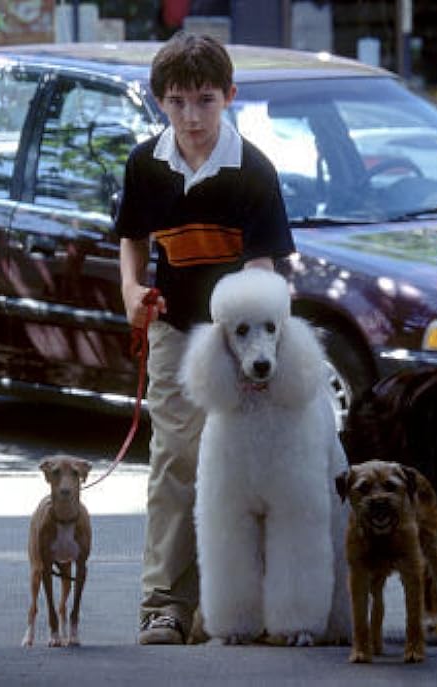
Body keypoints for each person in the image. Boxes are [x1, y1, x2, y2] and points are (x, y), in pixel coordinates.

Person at [115, 32, 295, 645]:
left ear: (230, 98)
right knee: (176, 458)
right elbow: (132, 240)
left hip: (239, 341)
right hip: (172, 330)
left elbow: (265, 267)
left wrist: (249, 340)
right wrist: (133, 292)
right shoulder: (145, 164)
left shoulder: (253, 171)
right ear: (160, 102)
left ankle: (247, 603)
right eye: (177, 102)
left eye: (204, 100)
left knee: (243, 465)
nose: (191, 116)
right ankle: (165, 602)